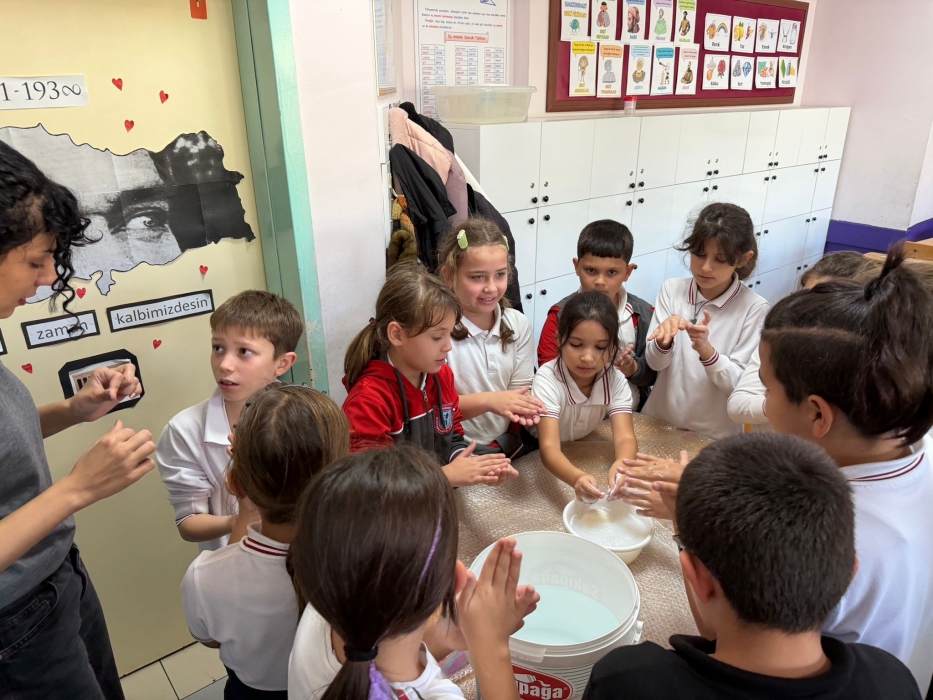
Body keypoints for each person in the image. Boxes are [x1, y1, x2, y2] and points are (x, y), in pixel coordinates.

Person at [623, 245, 933, 695]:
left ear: (818, 414)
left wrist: (687, 522)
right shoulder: (911, 452)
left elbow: (720, 633)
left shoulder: (825, 529)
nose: (763, 403)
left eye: (767, 389)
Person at [583, 433, 922, 700]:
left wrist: (684, 525)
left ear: (696, 577)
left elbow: (712, 628)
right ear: (849, 574)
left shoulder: (628, 681)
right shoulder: (890, 680)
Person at [0, 139, 156, 699]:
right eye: (34, 261)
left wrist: (72, 410)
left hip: (53, 573)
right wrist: (76, 489)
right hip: (14, 620)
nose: (47, 278)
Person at [287, 445, 540, 700]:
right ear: (456, 580)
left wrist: (444, 638)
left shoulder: (325, 605)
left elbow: (383, 648)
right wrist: (491, 646)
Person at [181, 385, 349, 699]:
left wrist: (247, 502)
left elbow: (211, 640)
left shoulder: (205, 576)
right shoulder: (363, 557)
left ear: (235, 484)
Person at [342, 262, 516, 488]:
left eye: (450, 334)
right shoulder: (369, 400)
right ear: (397, 335)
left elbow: (452, 438)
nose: (448, 347)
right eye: (437, 337)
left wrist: (472, 465)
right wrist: (444, 476)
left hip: (432, 495)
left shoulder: (441, 376)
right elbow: (370, 485)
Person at [156, 290, 302, 551]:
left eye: (244, 351)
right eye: (218, 348)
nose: (224, 364)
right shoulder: (184, 429)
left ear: (282, 363)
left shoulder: (305, 414)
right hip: (233, 560)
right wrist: (244, 518)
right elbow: (188, 522)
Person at [641, 203, 767, 439]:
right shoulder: (672, 290)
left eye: (720, 259)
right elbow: (655, 364)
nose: (706, 267)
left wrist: (707, 352)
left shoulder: (755, 308)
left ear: (744, 258)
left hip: (714, 436)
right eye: (699, 254)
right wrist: (663, 341)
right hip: (658, 422)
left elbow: (740, 387)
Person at [727, 251, 882, 426]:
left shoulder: (870, 362)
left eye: (821, 305)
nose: (804, 312)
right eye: (802, 299)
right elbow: (738, 405)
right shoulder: (782, 338)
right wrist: (789, 405)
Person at [439, 220, 544, 458]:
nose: (491, 288)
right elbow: (436, 409)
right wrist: (491, 401)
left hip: (505, 445)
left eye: (500, 275)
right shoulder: (437, 333)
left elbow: (519, 393)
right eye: (477, 277)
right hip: (452, 448)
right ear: (449, 276)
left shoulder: (518, 324)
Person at [537, 219, 656, 410]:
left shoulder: (644, 315)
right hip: (571, 418)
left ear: (628, 272)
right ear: (577, 266)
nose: (600, 281)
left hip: (630, 415)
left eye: (612, 272)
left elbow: (655, 374)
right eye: (591, 270)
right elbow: (547, 374)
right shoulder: (559, 316)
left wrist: (632, 368)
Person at [531, 291, 637, 502]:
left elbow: (625, 437)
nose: (588, 357)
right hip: (534, 446)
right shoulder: (547, 379)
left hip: (581, 443)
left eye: (600, 347)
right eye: (576, 345)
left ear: (613, 347)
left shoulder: (614, 379)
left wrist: (622, 466)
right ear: (559, 340)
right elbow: (549, 448)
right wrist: (576, 478)